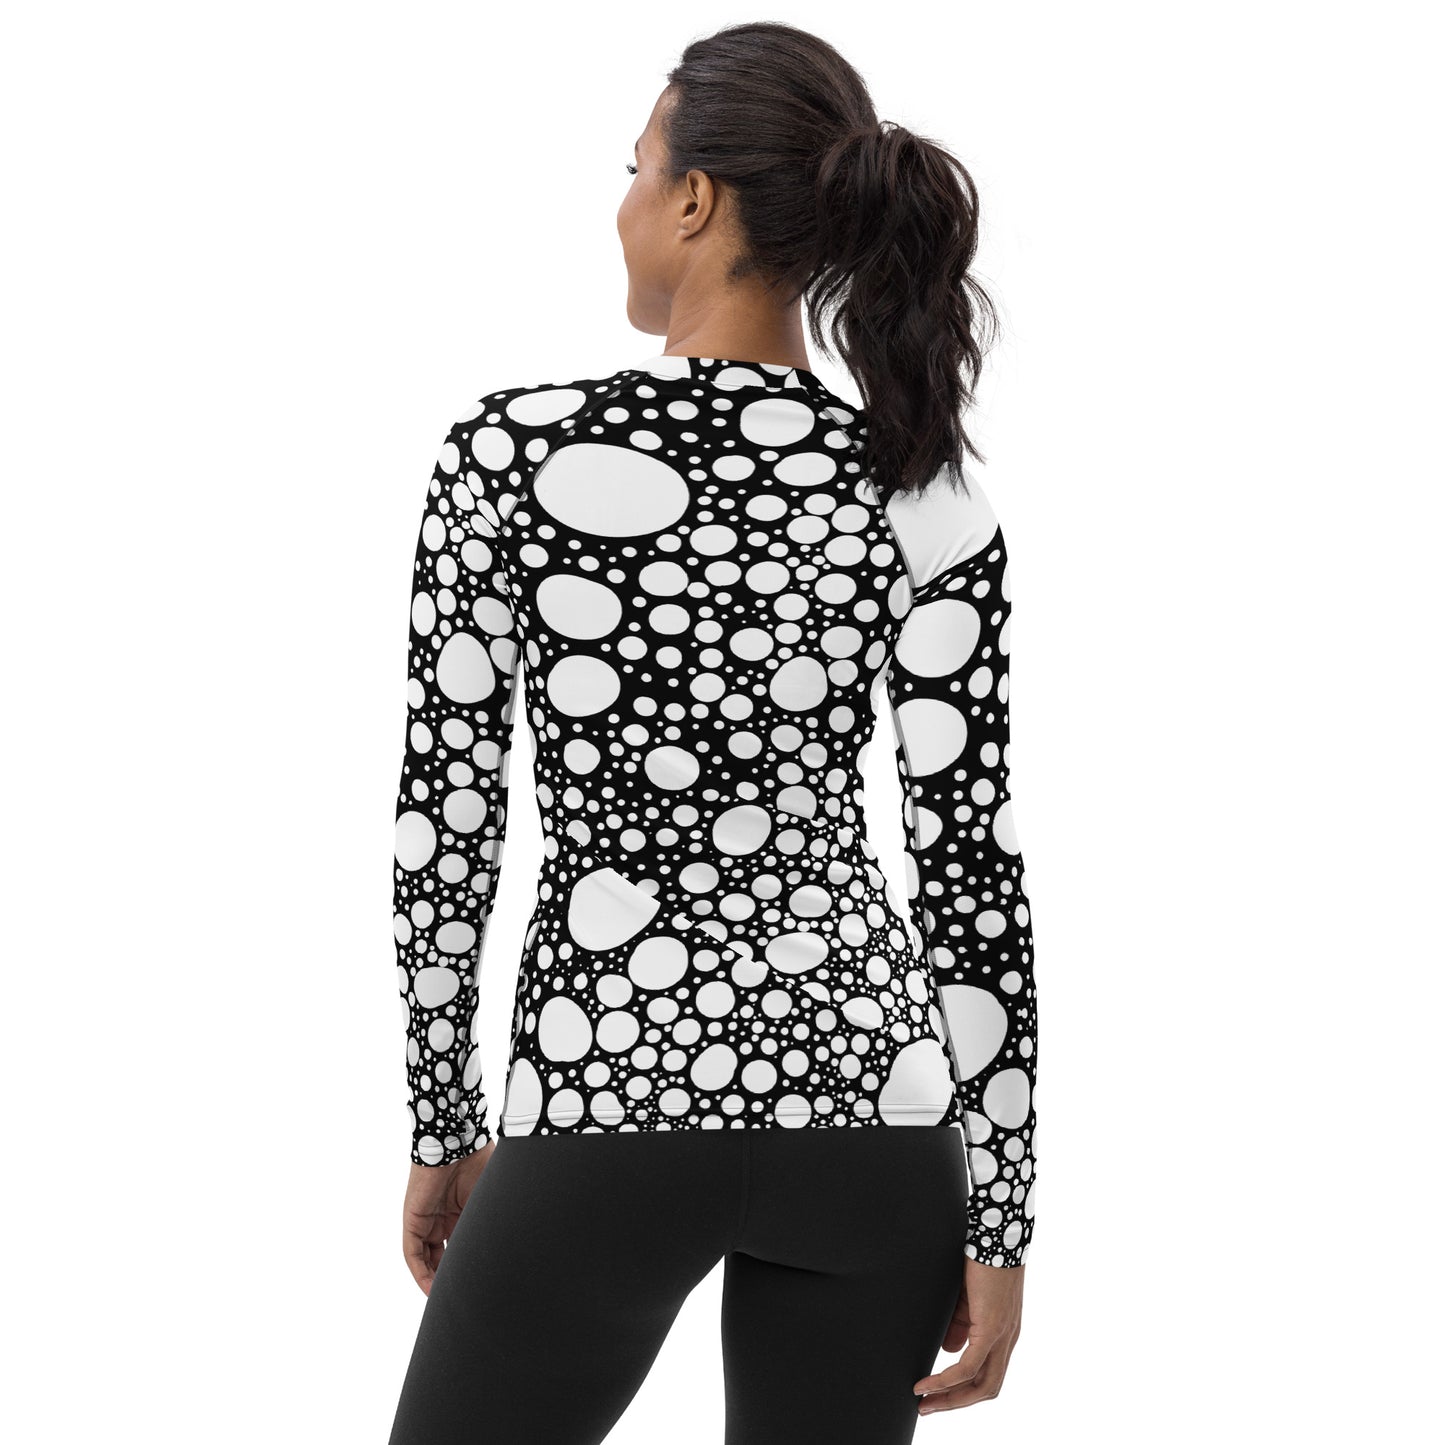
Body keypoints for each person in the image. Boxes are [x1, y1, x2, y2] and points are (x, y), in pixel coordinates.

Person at [387, 20, 1037, 1445]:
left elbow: (448, 827)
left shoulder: (510, 456)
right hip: (875, 1118)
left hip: (609, 1089)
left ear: (692, 200)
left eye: (635, 168)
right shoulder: (922, 487)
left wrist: (442, 1122)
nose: (623, 201)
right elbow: (972, 874)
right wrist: (1001, 1213)